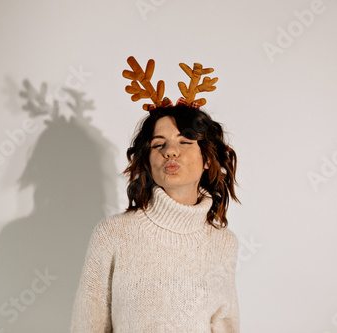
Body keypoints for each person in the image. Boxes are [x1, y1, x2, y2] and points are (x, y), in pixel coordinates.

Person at [70, 58, 241, 332]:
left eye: (185, 142)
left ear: (208, 158)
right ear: (148, 161)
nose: (170, 151)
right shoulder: (112, 234)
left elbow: (224, 324)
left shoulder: (223, 243)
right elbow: (88, 325)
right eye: (158, 144)